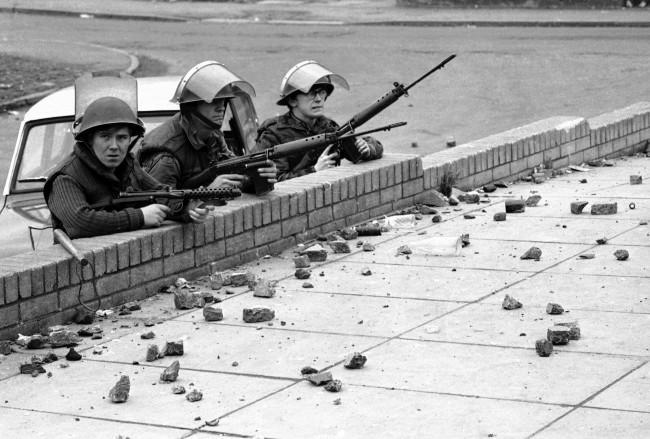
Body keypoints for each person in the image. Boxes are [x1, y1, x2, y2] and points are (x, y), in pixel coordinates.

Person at [45, 90, 210, 239]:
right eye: (105, 137)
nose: (114, 146)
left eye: (122, 137)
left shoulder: (129, 167)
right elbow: (80, 223)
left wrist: (186, 208)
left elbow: (160, 193)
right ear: (89, 140)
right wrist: (140, 217)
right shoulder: (65, 177)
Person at [136, 61, 277, 190]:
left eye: (223, 101)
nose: (221, 108)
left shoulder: (212, 134)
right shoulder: (166, 155)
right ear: (192, 106)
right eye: (213, 102)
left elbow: (233, 171)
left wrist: (259, 175)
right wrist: (208, 192)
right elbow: (160, 204)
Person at [253, 60, 383, 181]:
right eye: (312, 93)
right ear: (292, 100)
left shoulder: (327, 127)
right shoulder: (274, 134)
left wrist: (368, 149)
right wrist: (314, 171)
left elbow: (363, 147)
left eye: (322, 92)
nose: (319, 99)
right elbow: (273, 181)